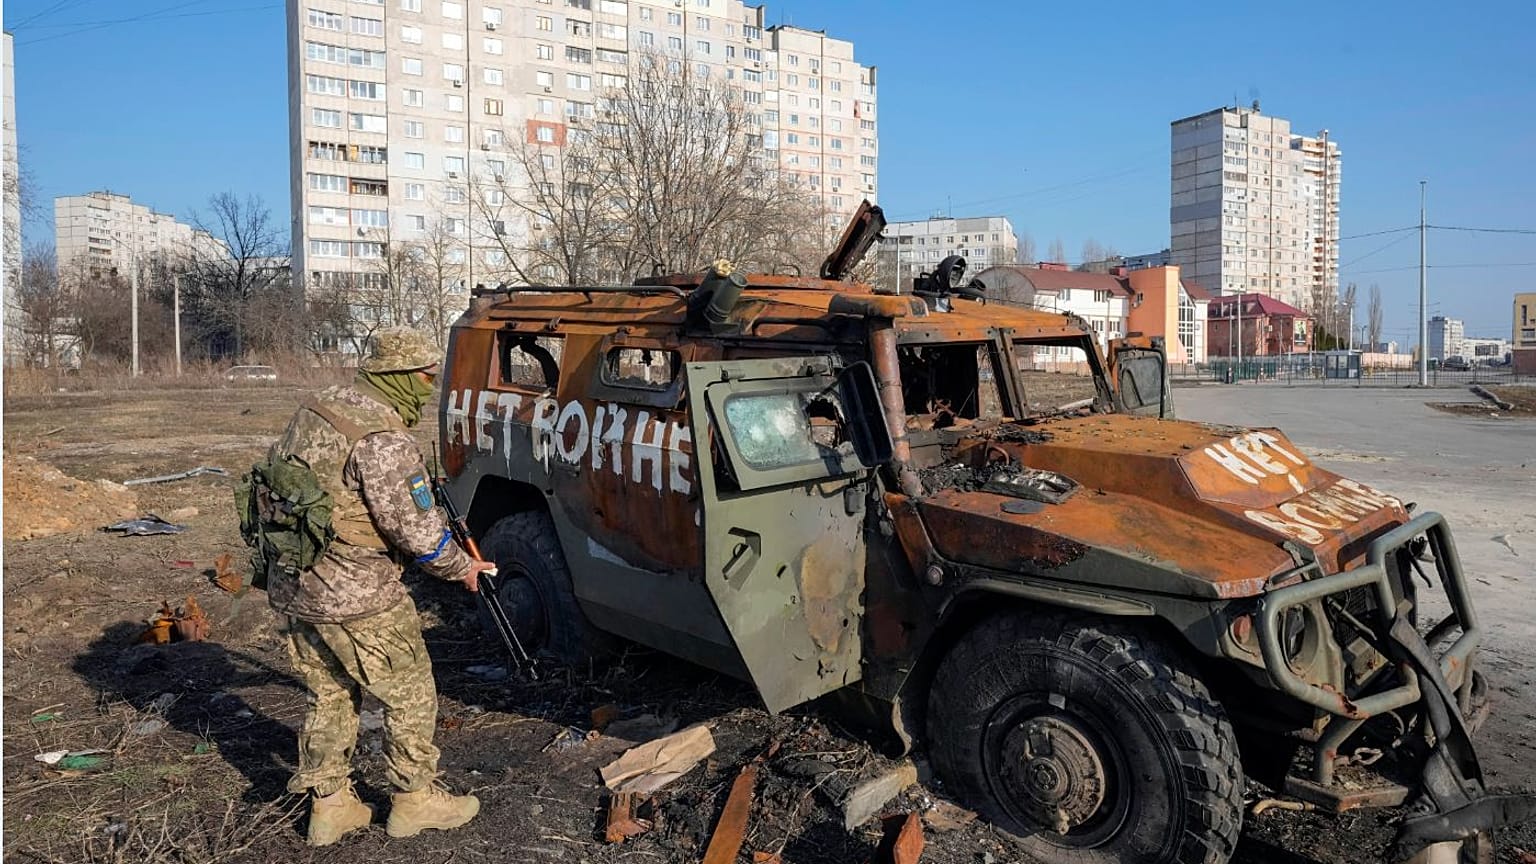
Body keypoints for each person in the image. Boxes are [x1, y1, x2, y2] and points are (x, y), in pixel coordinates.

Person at [264, 327, 494, 846]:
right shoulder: (383, 438)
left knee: (328, 691)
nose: (429, 387)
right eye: (426, 377)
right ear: (401, 376)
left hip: (296, 580)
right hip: (356, 591)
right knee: (409, 689)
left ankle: (330, 806)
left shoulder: (321, 407)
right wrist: (463, 569)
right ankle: (413, 799)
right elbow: (415, 530)